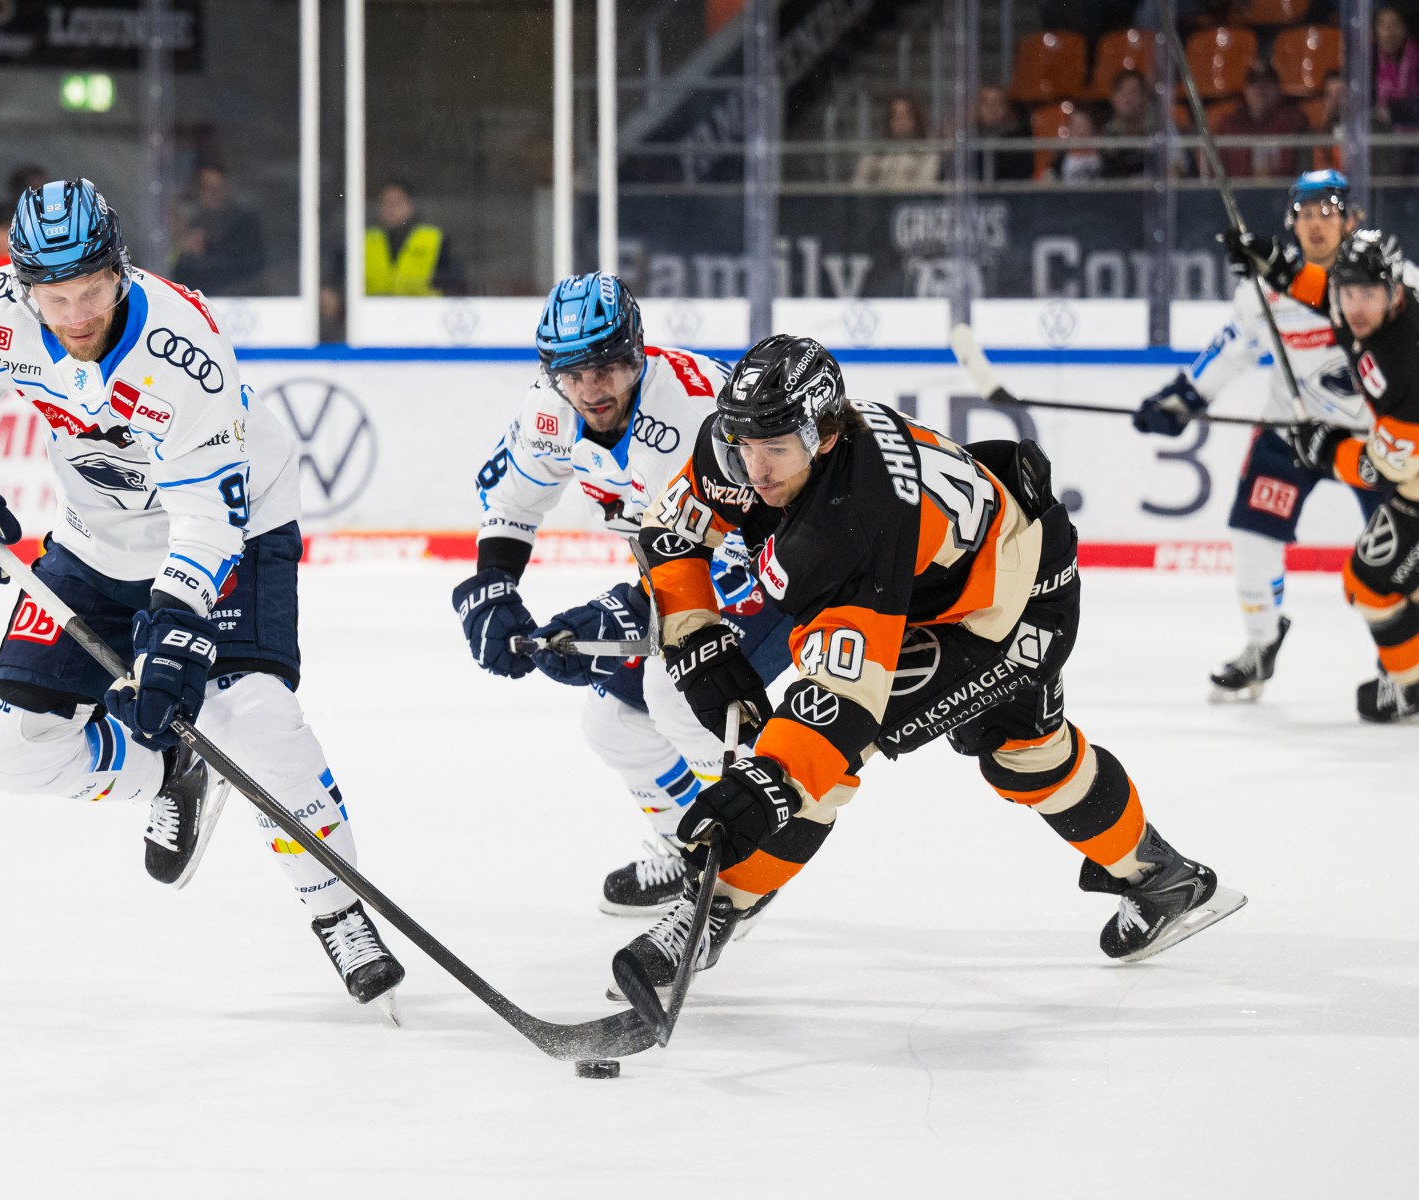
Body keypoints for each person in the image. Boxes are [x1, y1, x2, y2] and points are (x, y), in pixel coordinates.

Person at [0, 177, 406, 1006]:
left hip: (232, 528)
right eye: (54, 298)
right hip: (96, 540)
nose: (75, 316)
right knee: (15, 750)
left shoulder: (180, 346)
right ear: (24, 287)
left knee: (253, 720)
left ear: (120, 269)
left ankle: (337, 910)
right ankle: (168, 771)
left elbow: (208, 514)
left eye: (91, 291)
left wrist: (178, 623)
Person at [612, 335, 1243, 989]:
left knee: (828, 764)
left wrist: (764, 787)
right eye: (743, 444)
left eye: (775, 448)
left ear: (825, 435)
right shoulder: (745, 443)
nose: (755, 469)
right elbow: (671, 533)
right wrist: (696, 639)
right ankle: (1161, 877)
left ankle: (712, 914)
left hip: (1008, 609)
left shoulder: (850, 522)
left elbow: (839, 706)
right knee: (1029, 754)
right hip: (958, 570)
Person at [452, 272, 793, 916]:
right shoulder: (549, 411)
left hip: (777, 569)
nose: (591, 390)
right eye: (573, 373)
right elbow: (513, 503)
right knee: (614, 723)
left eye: (606, 368)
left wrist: (629, 613)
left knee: (678, 695)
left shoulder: (694, 411)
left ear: (636, 354)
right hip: (681, 575)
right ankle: (692, 850)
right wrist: (493, 585)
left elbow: (735, 552)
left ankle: (747, 863)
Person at [1132, 171, 1382, 702]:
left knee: (1397, 554)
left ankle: (1405, 661)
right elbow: (1230, 349)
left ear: (1350, 219)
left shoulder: (1384, 276)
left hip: (1372, 438)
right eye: (1305, 214)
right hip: (1293, 431)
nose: (1316, 224)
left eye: (1327, 212)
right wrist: (1183, 399)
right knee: (1252, 537)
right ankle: (1262, 642)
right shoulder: (1265, 287)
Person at [1223, 224, 1419, 722]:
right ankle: (1410, 682)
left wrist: (1327, 449)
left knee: (1376, 582)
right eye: (1349, 292)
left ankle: (1412, 685)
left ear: (1394, 292)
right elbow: (1321, 290)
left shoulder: (1404, 366)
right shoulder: (1365, 308)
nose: (1356, 306)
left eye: (1368, 294)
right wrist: (1273, 261)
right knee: (1367, 582)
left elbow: (1385, 469)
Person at [171, 164, 267, 296]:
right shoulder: (186, 225)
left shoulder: (245, 224)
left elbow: (252, 267)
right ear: (197, 191)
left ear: (228, 189)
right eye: (207, 188)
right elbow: (171, 273)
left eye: (219, 187)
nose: (214, 193)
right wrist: (183, 252)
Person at [364, 181, 464, 296]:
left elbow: (454, 284)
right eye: (385, 202)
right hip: (372, 307)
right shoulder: (365, 240)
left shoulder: (433, 238)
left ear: (410, 204)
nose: (391, 208)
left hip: (422, 306)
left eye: (397, 202)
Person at [1213, 62, 1308, 179]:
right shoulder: (1228, 125)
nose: (1260, 91)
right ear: (1245, 89)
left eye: (1267, 84)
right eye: (1254, 84)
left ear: (1278, 89)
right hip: (1236, 190)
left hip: (1283, 190)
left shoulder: (1294, 122)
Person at [851, 93, 940, 190]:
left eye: (905, 115)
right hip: (878, 198)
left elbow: (924, 187)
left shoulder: (927, 153)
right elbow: (858, 184)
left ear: (915, 118)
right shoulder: (876, 151)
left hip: (910, 198)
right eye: (895, 115)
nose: (900, 120)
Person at [970, 84, 1035, 183]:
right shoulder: (968, 140)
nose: (992, 107)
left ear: (1007, 107)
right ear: (976, 109)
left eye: (998, 102)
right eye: (985, 102)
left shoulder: (1022, 140)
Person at [1100, 71, 1154, 180]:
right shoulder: (1104, 134)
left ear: (1144, 97)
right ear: (1113, 97)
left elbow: (1177, 171)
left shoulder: (1160, 131)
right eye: (1122, 91)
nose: (1129, 98)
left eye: (1134, 92)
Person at [1054, 107, 1103, 182]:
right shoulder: (1061, 156)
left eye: (1084, 126)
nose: (1080, 131)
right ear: (1070, 129)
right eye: (1076, 126)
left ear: (1091, 128)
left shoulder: (1103, 153)